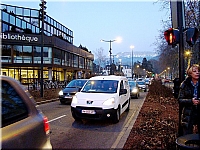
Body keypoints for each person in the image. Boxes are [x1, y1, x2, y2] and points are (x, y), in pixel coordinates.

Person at [178, 64, 200, 135]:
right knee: (187, 136)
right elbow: (180, 99)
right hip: (188, 113)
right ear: (190, 73)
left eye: (198, 71)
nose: (197, 72)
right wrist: (191, 101)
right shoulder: (185, 84)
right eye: (195, 71)